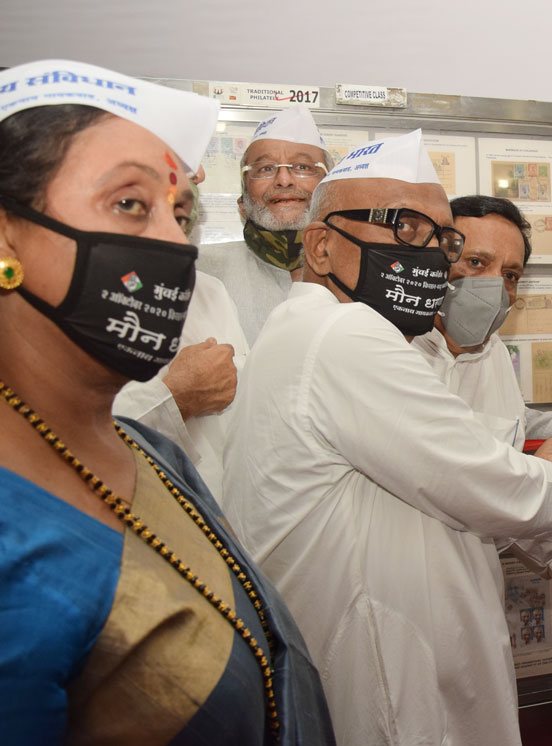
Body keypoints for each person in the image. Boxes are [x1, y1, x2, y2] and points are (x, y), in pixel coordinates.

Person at [220, 131, 552, 746]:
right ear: (321, 246)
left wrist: (551, 451)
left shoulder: (313, 330)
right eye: (403, 229)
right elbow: (481, 479)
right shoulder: (346, 333)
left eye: (440, 239)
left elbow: (460, 442)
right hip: (384, 683)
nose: (429, 255)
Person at [0, 59, 333, 744]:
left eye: (180, 214)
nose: (172, 243)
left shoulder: (151, 459)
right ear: (7, 236)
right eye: (130, 203)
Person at [411, 194, 552, 678]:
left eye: (510, 274)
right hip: (409, 615)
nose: (494, 285)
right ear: (434, 260)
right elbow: (479, 480)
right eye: (474, 262)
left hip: (474, 607)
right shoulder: (398, 353)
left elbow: (504, 429)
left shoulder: (489, 353)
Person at [113, 171, 247, 504]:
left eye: (180, 216)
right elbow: (56, 439)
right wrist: (176, 397)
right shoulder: (43, 294)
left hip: (217, 513)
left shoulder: (208, 290)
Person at [196, 105, 334, 343]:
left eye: (302, 167)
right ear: (242, 203)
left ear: (333, 191)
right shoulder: (199, 272)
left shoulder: (365, 271)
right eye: (265, 169)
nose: (283, 180)